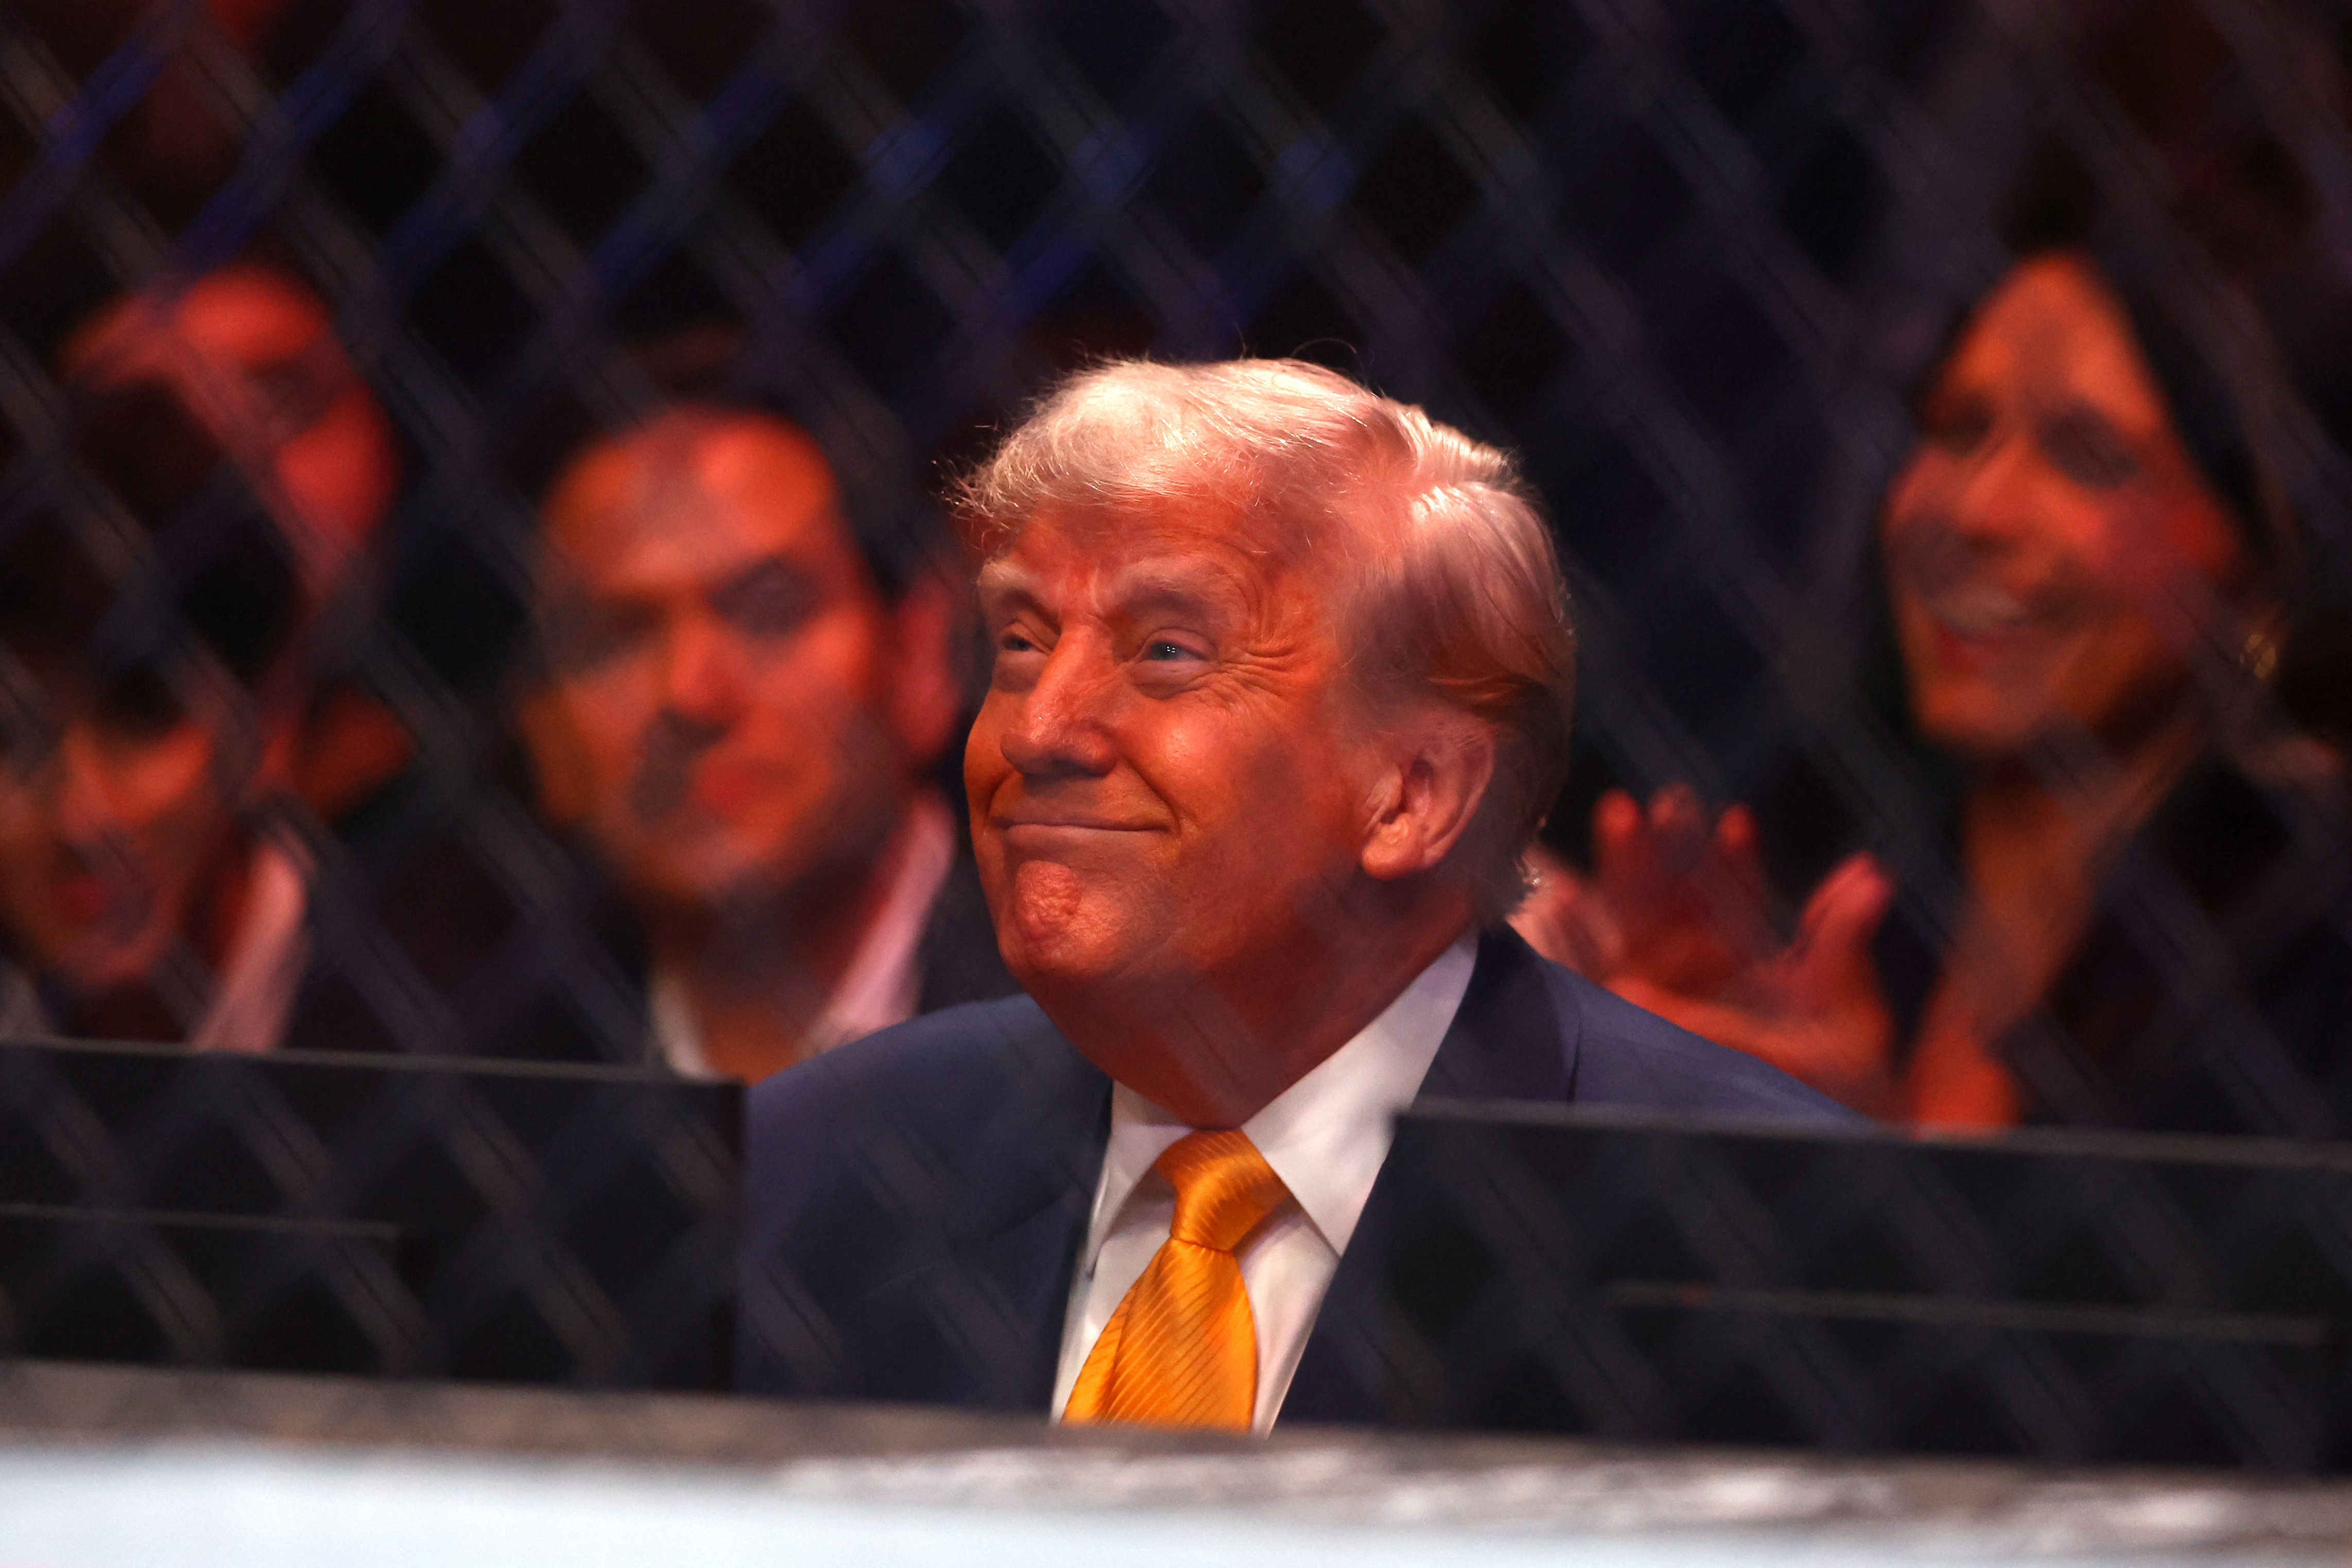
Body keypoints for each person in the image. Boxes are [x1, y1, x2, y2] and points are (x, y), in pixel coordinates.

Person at [735, 359, 1850, 1432]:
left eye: (1165, 651)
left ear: (1409, 793)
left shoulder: (1760, 1238)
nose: (1035, 729)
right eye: (1022, 642)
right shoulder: (815, 1166)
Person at [1514, 247, 2352, 1135]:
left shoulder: (2311, 963)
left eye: (2088, 457)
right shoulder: (1813, 887)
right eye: (1955, 429)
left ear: (2266, 562)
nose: (1970, 512)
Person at [516, 405, 1017, 1082]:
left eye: (772, 613)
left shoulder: (1109, 1032)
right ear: (540, 729)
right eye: (613, 639)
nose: (691, 695)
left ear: (918, 654)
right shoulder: (471, 1071)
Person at [0, 264, 405, 1048]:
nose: (83, 815)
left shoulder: (429, 982)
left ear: (267, 724)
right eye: (10, 740)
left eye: (145, 715)